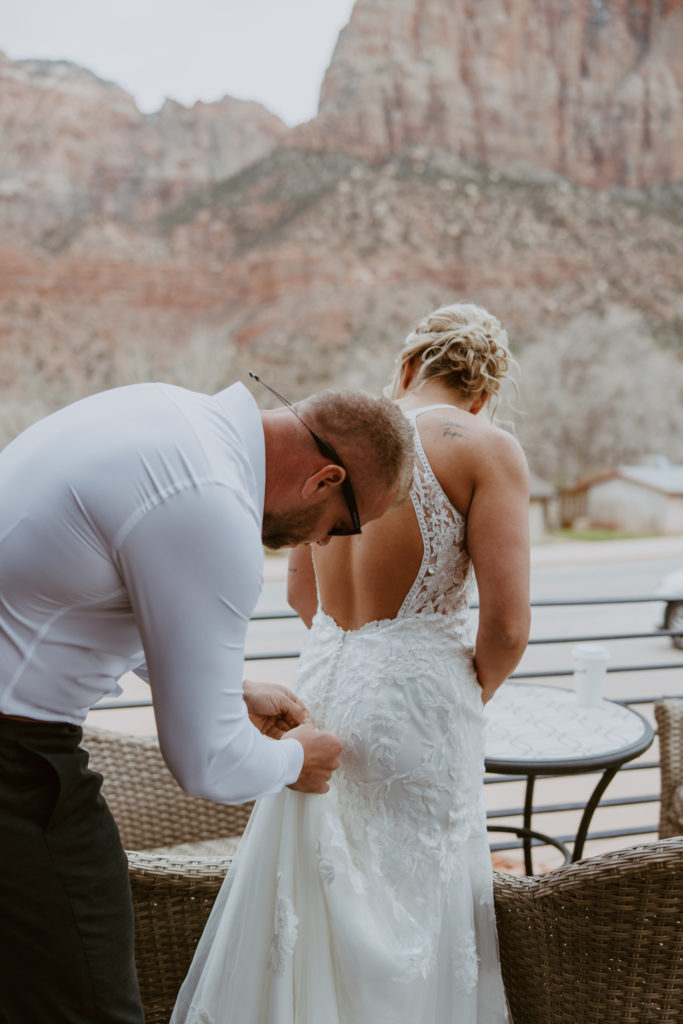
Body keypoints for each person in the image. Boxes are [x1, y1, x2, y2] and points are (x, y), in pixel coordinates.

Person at [0, 375, 414, 1024]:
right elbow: (207, 763)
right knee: (90, 997)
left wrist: (233, 689)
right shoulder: (212, 507)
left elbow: (80, 585)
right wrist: (293, 761)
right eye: (344, 526)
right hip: (15, 763)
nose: (323, 543)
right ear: (324, 480)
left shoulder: (163, 410)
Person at [171, 302, 531, 1024]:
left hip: (325, 683)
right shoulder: (485, 447)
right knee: (416, 909)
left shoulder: (345, 436)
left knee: (309, 893)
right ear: (483, 392)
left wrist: (356, 650)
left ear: (407, 366)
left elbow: (304, 594)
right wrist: (456, 690)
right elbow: (507, 625)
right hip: (418, 703)